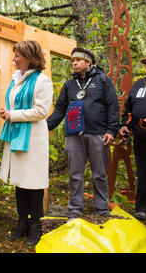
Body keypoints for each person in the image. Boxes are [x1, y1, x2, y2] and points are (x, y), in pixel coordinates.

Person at [47, 47, 120, 220]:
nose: (74, 63)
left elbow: (113, 106)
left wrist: (112, 130)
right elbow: (59, 109)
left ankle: (102, 210)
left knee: (99, 173)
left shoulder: (103, 80)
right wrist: (46, 126)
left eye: (78, 60)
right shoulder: (70, 84)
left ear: (88, 63)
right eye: (73, 61)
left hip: (98, 133)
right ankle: (75, 210)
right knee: (75, 174)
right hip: (73, 134)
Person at [0, 40, 53, 245]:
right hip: (16, 136)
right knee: (20, 183)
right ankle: (22, 223)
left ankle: (35, 227)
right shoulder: (16, 80)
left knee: (34, 183)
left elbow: (41, 111)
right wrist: (7, 112)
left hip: (33, 140)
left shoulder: (42, 81)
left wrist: (13, 114)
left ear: (30, 58)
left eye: (17, 55)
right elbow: (14, 104)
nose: (14, 59)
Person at [118, 55, 146, 220]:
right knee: (144, 173)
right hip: (142, 137)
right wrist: (125, 125)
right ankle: (143, 208)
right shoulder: (139, 85)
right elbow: (129, 109)